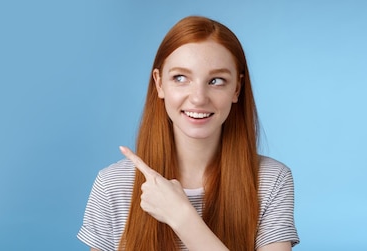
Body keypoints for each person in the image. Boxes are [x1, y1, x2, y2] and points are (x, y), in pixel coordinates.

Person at [77, 16, 299, 251]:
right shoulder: (113, 185)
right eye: (180, 78)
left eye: (216, 80)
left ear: (237, 88)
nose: (198, 98)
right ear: (159, 83)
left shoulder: (271, 180)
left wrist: (182, 217)